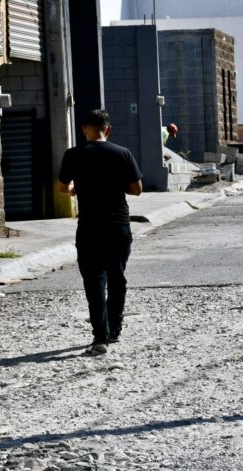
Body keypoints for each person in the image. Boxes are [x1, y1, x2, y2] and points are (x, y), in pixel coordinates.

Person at [57, 109, 143, 355]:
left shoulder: (73, 155)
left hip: (89, 228)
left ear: (85, 129)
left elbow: (62, 187)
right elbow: (137, 189)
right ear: (109, 129)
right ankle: (115, 329)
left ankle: (100, 337)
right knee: (117, 277)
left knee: (94, 281)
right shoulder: (122, 153)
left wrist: (75, 188)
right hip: (118, 226)